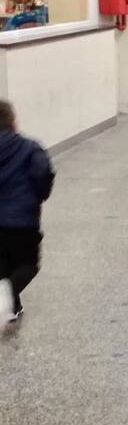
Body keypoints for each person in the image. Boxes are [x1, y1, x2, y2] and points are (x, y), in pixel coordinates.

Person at [0, 100, 55, 325]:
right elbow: (42, 176)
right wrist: (39, 196)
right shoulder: (30, 148)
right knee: (28, 264)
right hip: (22, 221)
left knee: (3, 264)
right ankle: (6, 298)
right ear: (13, 123)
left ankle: (12, 306)